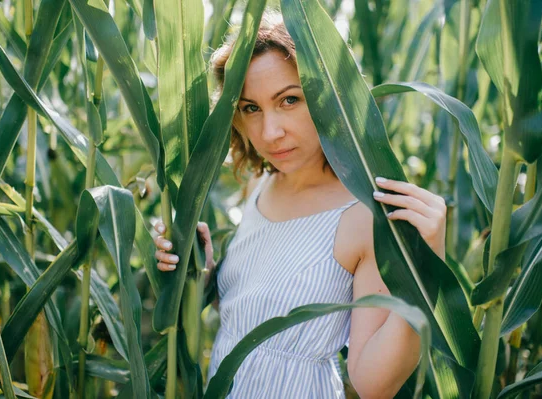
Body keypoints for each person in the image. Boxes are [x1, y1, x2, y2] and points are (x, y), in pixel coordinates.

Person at [153, 15, 446, 399]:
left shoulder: (362, 219)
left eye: (289, 100)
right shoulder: (261, 186)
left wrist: (429, 263)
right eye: (250, 108)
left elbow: (372, 384)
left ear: (329, 98)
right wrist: (197, 274)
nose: (270, 132)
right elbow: (253, 313)